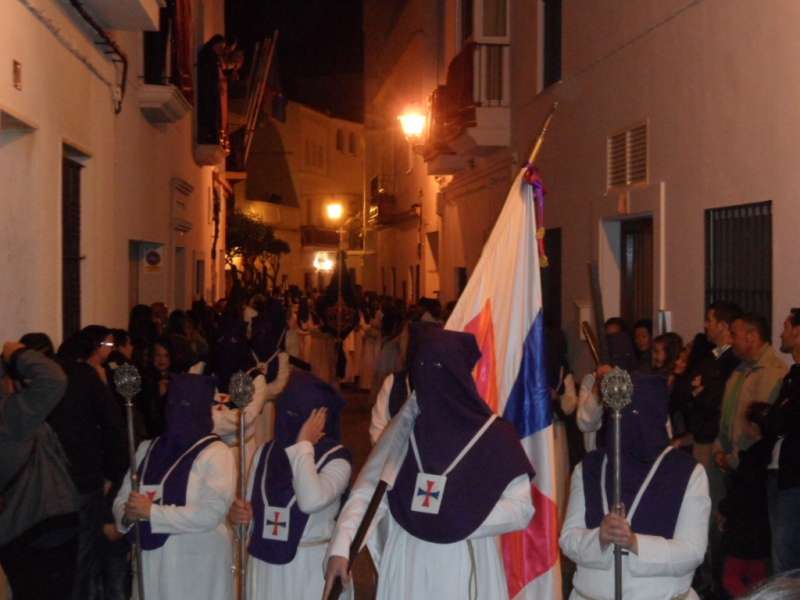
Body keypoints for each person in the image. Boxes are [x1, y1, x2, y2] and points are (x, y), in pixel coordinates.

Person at [323, 327, 535, 599]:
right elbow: (370, 490)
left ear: (458, 376)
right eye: (420, 367)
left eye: (437, 368)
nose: (428, 378)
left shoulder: (495, 435)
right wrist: (341, 547)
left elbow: (521, 508)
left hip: (462, 556)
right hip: (407, 558)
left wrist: (460, 515)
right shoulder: (404, 429)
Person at [560, 374, 710, 600]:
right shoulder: (589, 467)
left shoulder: (687, 472)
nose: (632, 426)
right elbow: (569, 540)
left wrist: (635, 543)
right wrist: (599, 538)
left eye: (640, 415)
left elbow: (693, 551)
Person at [228, 371, 352, 599]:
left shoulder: (337, 459)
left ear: (320, 419)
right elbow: (252, 519)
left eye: (298, 413)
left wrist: (303, 445)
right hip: (264, 568)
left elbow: (310, 500)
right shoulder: (264, 453)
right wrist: (239, 517)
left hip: (307, 572)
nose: (288, 418)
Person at [113, 374, 236, 600]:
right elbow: (122, 499)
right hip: (152, 562)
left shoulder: (217, 453)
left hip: (196, 564)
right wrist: (128, 515)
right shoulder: (147, 448)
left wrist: (151, 512)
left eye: (186, 404)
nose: (177, 410)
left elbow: (211, 513)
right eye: (173, 403)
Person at [49, 325, 127, 600]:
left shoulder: (57, 377)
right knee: (85, 554)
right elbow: (113, 427)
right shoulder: (87, 378)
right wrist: (113, 474)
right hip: (85, 477)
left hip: (55, 480)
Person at [0, 341, 78, 600]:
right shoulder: (11, 416)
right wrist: (17, 354)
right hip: (39, 524)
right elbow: (54, 379)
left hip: (15, 531)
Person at [719, 402, 772, 597]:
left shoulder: (752, 457)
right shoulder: (772, 452)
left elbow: (739, 492)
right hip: (762, 531)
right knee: (758, 579)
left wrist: (724, 510)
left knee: (731, 578)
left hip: (742, 531)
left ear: (754, 427)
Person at [766, 308, 800, 574]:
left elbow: (785, 418)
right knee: (780, 551)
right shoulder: (792, 375)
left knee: (785, 556)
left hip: (795, 476)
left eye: (786, 327)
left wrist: (772, 416)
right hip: (780, 471)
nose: (781, 334)